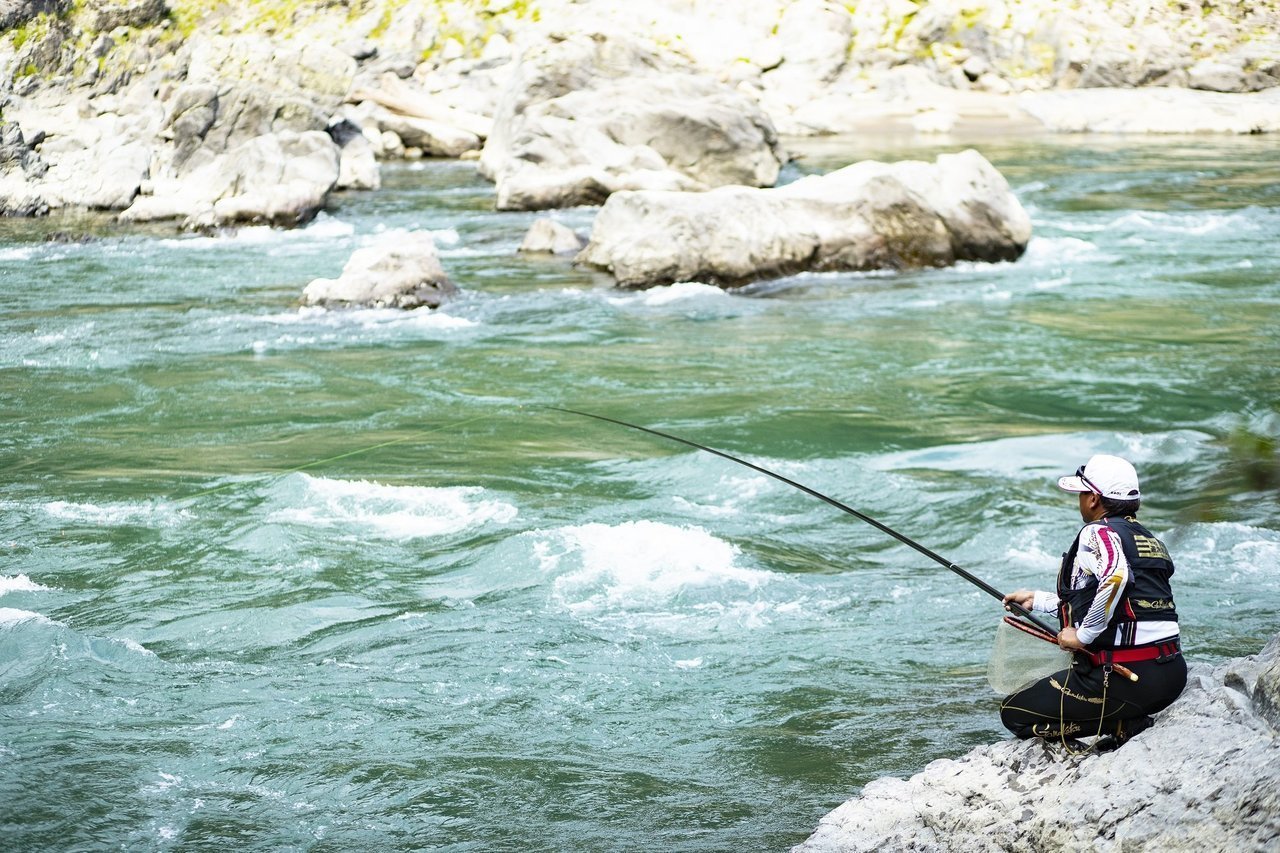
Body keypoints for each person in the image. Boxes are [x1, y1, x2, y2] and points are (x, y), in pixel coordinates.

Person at [999, 454, 1186, 751]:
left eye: (1082, 493)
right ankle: (1125, 716)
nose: (1080, 500)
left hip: (1127, 677)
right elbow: (1124, 604)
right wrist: (1037, 600)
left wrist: (1083, 636)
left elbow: (1116, 578)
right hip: (1172, 676)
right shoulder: (1149, 540)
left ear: (1094, 499)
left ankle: (1121, 724)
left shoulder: (1097, 532)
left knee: (1014, 713)